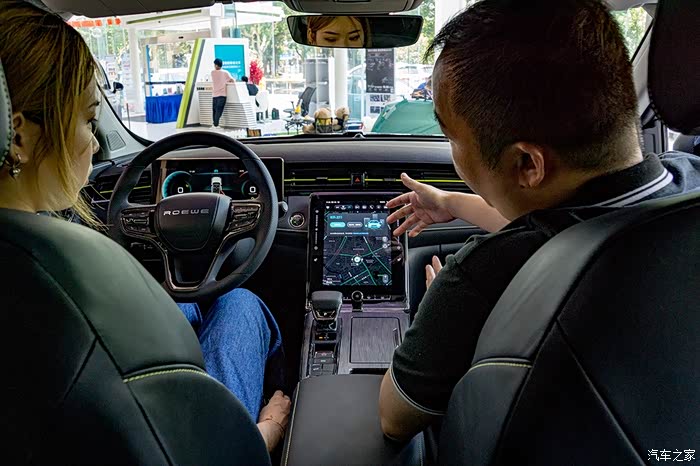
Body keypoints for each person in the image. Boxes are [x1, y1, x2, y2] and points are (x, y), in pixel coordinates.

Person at [378, 0, 700, 442]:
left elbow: (393, 418)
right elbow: (563, 230)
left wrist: (437, 308)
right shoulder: (689, 181)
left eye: (451, 137)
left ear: (528, 165)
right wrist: (452, 202)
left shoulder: (480, 276)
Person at [0, 1, 290, 453]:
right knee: (241, 303)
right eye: (89, 120)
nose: (98, 145)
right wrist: (264, 434)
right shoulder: (65, 271)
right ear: (18, 134)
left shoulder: (35, 270)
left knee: (201, 305)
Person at [211, 58, 234, 128]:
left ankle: (214, 125)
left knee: (214, 110)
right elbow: (232, 80)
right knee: (219, 110)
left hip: (214, 95)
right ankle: (216, 125)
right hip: (222, 95)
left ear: (216, 65)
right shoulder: (225, 73)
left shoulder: (212, 72)